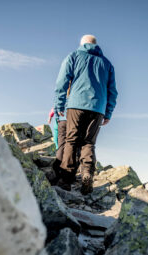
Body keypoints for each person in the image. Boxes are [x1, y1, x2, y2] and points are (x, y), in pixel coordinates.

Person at [54, 34, 118, 194]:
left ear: (82, 44)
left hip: (76, 104)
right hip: (98, 108)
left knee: (71, 140)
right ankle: (87, 174)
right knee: (89, 143)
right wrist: (108, 112)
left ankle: (65, 180)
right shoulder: (107, 64)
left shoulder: (74, 56)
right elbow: (113, 92)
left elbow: (62, 82)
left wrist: (59, 105)